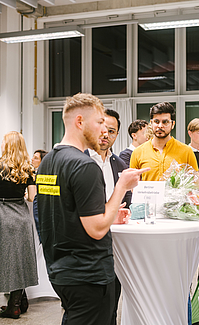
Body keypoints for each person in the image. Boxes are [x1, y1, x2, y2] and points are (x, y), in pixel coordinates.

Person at [36, 93, 147, 325]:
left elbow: (67, 211)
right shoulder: (85, 165)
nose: (103, 131)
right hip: (88, 273)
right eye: (99, 123)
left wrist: (110, 214)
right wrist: (121, 186)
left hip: (61, 269)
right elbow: (96, 229)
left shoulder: (48, 161)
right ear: (80, 122)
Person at [84, 108, 131, 325]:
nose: (106, 135)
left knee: (111, 305)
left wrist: (125, 210)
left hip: (113, 247)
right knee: (85, 311)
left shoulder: (120, 164)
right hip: (83, 249)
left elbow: (126, 200)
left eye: (112, 131)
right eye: (102, 129)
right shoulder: (78, 160)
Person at [0, 131, 38, 319]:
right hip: (21, 215)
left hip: (3, 214)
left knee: (5, 258)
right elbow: (32, 197)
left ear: (6, 146)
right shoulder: (28, 167)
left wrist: (1, 195)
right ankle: (19, 301)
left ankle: (13, 306)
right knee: (21, 257)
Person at [130, 102, 198, 181]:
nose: (160, 126)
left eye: (165, 122)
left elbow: (196, 183)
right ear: (151, 123)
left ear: (173, 124)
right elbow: (133, 186)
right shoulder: (137, 152)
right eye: (156, 121)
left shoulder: (186, 151)